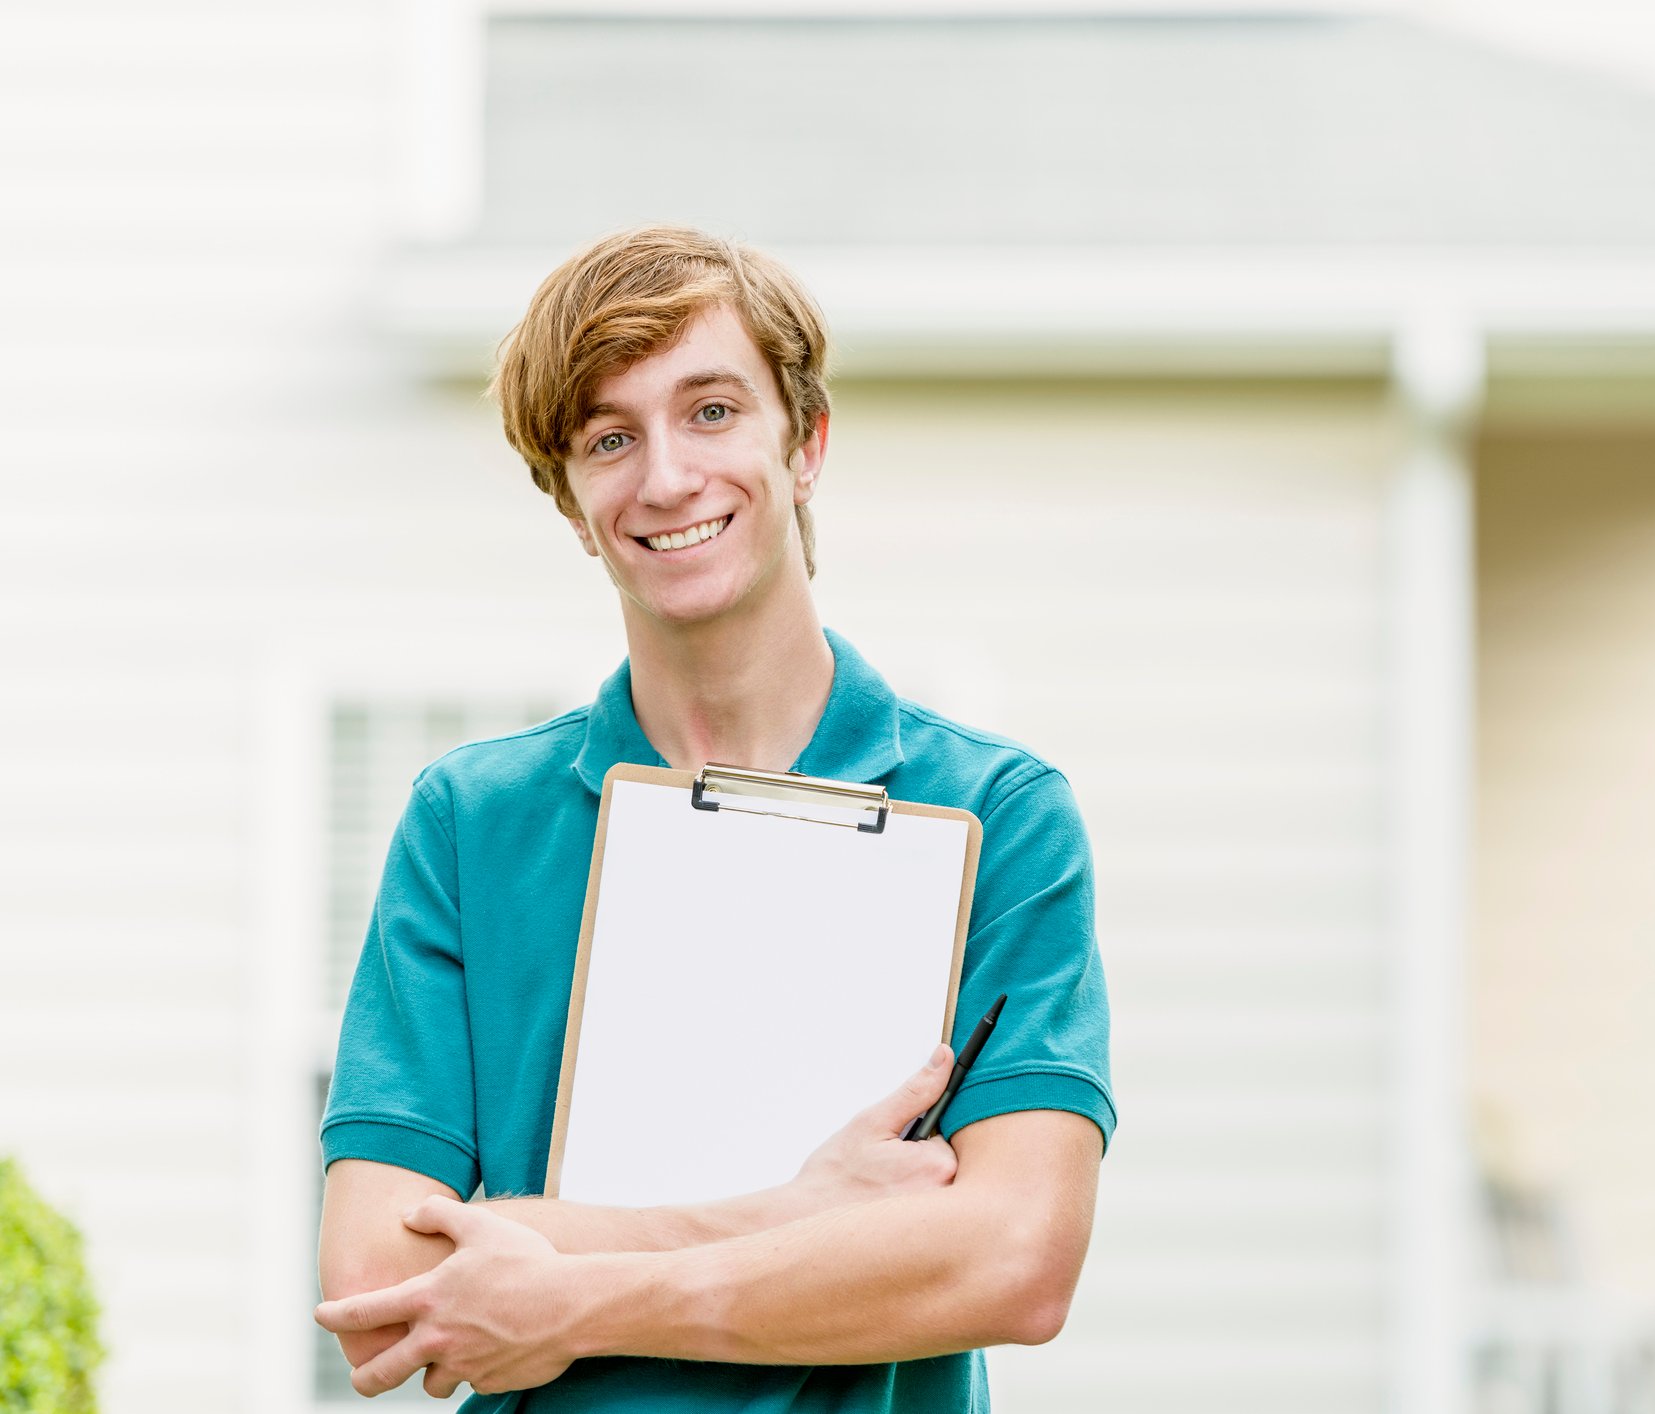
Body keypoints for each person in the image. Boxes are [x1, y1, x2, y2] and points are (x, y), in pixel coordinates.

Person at [313, 225, 1116, 1412]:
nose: (668, 478)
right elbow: (380, 1277)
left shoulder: (998, 817)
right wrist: (787, 1215)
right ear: (573, 505)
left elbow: (1013, 1258)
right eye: (608, 438)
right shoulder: (468, 825)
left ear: (806, 444)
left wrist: (565, 1291)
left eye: (711, 411)